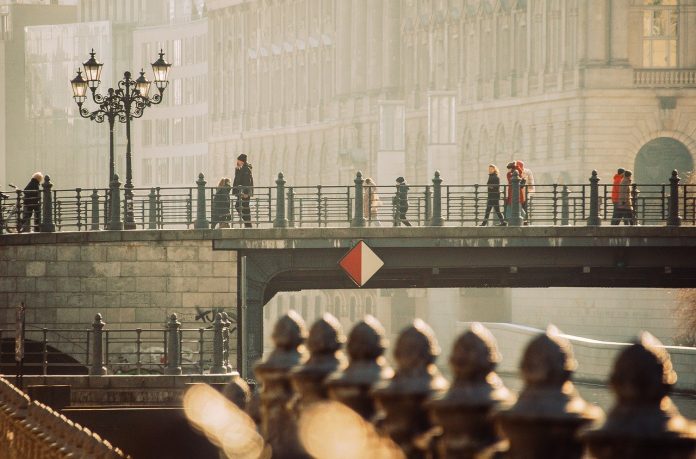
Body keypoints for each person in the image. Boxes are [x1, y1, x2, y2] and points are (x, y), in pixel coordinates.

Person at [233, 154, 254, 228]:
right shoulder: (242, 168)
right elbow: (237, 179)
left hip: (244, 192)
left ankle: (248, 224)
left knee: (242, 207)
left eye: (238, 160)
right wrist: (237, 170)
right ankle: (248, 224)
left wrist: (245, 192)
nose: (237, 162)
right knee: (244, 207)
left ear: (241, 161)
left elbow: (247, 181)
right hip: (240, 191)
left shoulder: (246, 169)